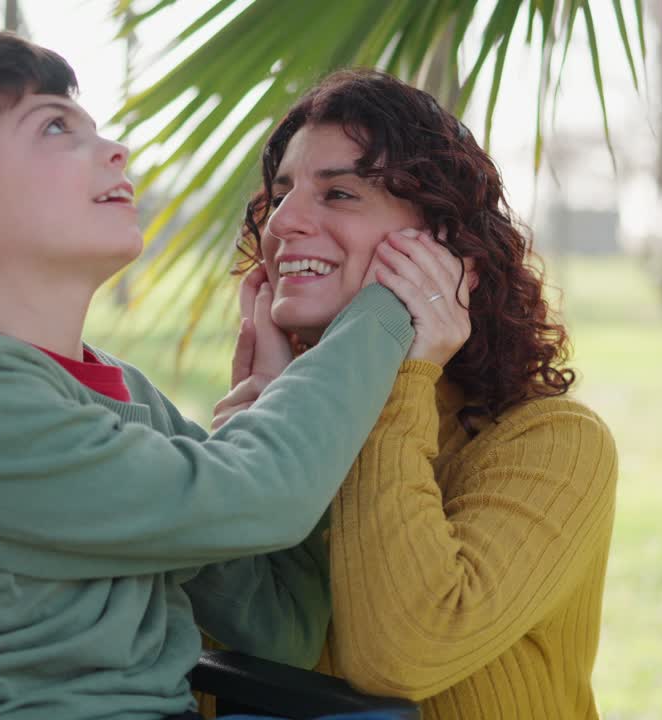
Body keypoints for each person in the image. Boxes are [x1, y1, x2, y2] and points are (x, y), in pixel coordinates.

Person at [0, 32, 420, 720]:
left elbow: (282, 626)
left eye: (94, 128)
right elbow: (266, 493)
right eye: (53, 127)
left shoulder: (118, 394)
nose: (114, 150)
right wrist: (394, 297)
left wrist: (274, 399)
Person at [216, 69, 619, 719]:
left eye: (340, 193)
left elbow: (402, 654)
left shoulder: (554, 442)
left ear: (451, 254)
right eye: (282, 192)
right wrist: (260, 431)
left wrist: (401, 372)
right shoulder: (271, 416)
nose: (284, 222)